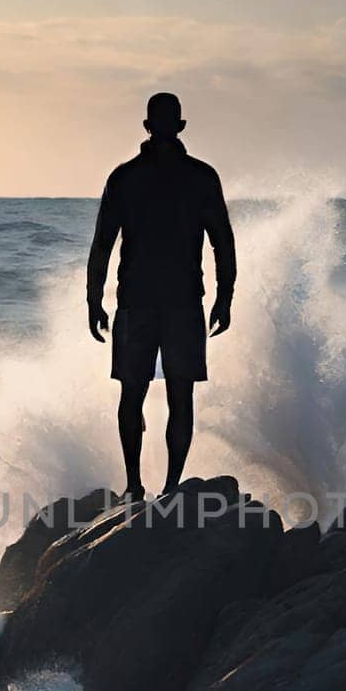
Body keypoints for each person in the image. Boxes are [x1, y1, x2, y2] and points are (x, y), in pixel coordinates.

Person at [86, 92, 236, 498]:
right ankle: (158, 486)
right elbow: (223, 243)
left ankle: (143, 485)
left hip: (145, 301)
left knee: (140, 392)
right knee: (170, 393)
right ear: (179, 126)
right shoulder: (200, 177)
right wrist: (225, 296)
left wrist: (94, 300)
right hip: (176, 302)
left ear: (147, 127)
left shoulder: (126, 177)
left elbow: (102, 245)